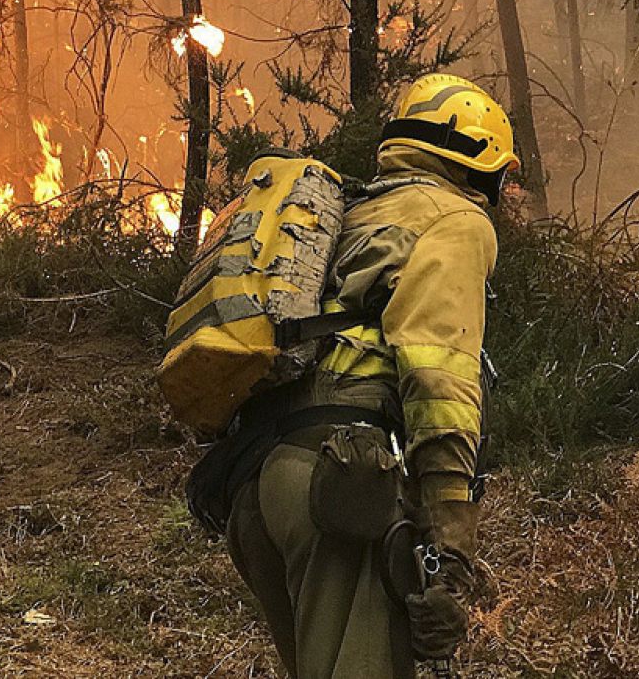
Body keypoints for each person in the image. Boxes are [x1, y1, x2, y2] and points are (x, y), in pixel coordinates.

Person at [219, 73, 518, 678]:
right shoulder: (455, 220)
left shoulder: (349, 215)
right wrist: (451, 529)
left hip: (259, 484)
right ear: (480, 164)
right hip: (340, 489)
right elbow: (439, 374)